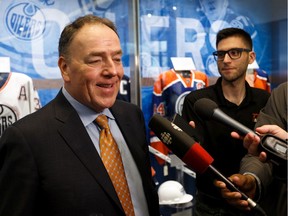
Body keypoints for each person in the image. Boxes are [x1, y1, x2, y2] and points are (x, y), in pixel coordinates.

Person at [0, 15, 159, 216]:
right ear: (65, 69)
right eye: (96, 60)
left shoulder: (131, 116)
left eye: (117, 59)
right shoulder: (27, 139)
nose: (112, 70)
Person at [181, 27, 270, 215]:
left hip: (255, 200)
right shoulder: (197, 102)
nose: (226, 60)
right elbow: (194, 160)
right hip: (210, 205)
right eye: (220, 54)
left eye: (234, 53)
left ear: (251, 57)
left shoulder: (264, 100)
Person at [215, 81, 287, 216]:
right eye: (219, 57)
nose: (226, 60)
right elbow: (260, 155)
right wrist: (252, 179)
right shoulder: (283, 94)